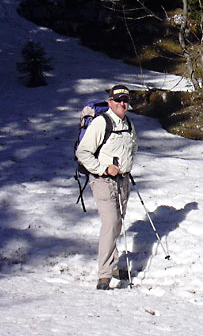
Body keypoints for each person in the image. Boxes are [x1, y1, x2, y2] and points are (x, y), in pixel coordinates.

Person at [76, 85, 138, 290]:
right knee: (110, 223)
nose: (123, 103)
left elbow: (133, 146)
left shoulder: (128, 123)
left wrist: (126, 166)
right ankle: (104, 275)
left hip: (123, 181)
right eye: (119, 99)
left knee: (117, 223)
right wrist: (103, 168)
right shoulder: (101, 123)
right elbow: (83, 152)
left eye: (126, 100)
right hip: (103, 181)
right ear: (110, 102)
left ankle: (112, 265)